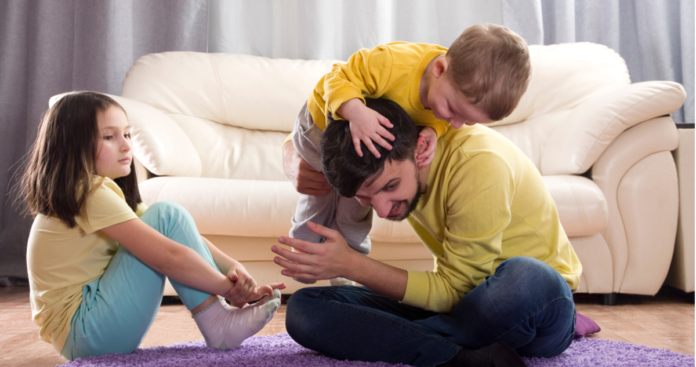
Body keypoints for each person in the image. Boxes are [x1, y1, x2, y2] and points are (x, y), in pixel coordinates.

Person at [274, 98, 582, 367]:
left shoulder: (479, 162)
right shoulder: (388, 128)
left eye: (391, 186)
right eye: (365, 198)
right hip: (458, 310)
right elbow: (320, 112)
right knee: (305, 308)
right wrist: (291, 157)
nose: (381, 210)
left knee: (526, 277)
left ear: (421, 148)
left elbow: (456, 289)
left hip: (532, 310)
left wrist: (352, 265)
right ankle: (459, 358)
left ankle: (418, 344)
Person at [21, 92, 285, 360]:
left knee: (168, 216)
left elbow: (179, 235)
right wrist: (229, 289)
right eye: (109, 137)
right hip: (86, 333)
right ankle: (217, 322)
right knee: (166, 215)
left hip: (87, 333)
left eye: (127, 135)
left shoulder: (97, 192)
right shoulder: (88, 192)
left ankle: (218, 320)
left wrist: (234, 270)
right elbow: (169, 255)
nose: (126, 146)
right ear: (72, 146)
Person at [283, 23, 531, 285]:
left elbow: (443, 119)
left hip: (366, 153)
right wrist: (356, 113)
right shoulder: (392, 64)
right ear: (439, 69)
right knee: (320, 194)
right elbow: (336, 77)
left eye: (467, 121)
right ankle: (303, 248)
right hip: (322, 127)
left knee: (356, 205)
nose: (456, 124)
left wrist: (435, 129)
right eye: (453, 111)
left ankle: (344, 268)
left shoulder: (450, 92)